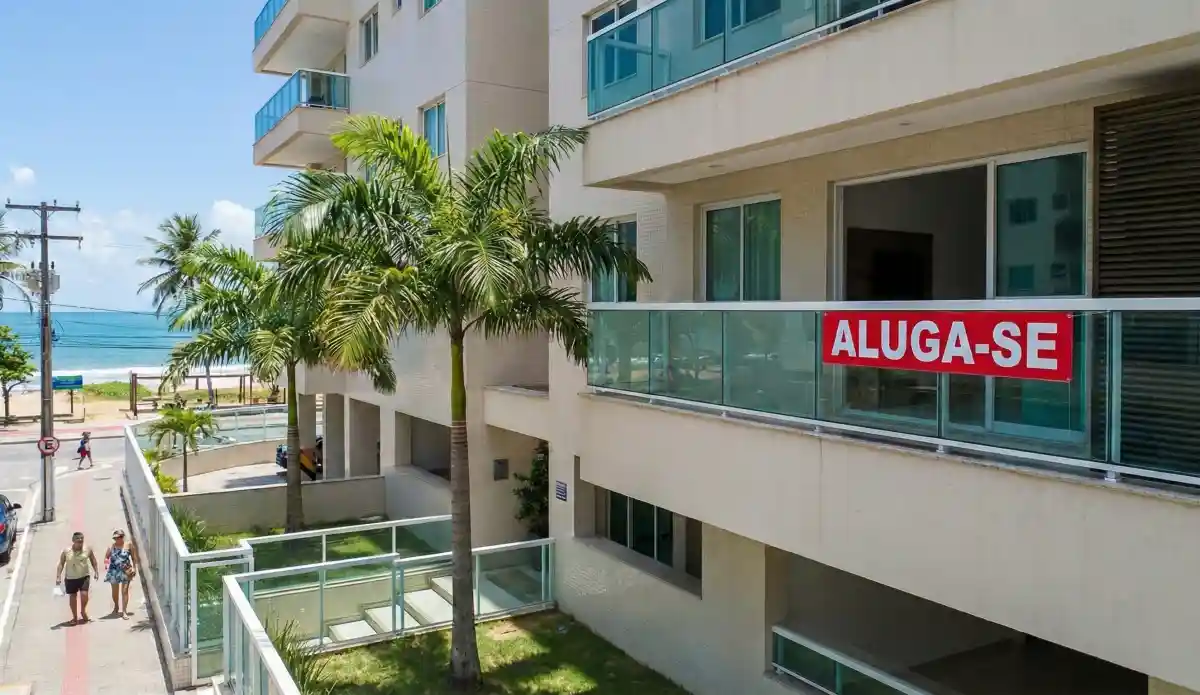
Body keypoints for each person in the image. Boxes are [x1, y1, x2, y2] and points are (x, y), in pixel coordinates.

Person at [54, 531, 99, 624]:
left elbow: (93, 560)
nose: (80, 542)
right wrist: (58, 577)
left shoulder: (88, 549)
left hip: (84, 576)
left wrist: (96, 572)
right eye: (78, 541)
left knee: (84, 595)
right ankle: (74, 617)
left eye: (82, 540)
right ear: (73, 541)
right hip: (70, 578)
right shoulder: (66, 551)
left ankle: (83, 610)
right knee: (73, 597)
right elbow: (61, 564)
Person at [103, 529, 137, 618]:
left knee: (125, 591)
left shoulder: (128, 545)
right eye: (116, 538)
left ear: (123, 537)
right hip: (114, 571)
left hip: (126, 570)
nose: (118, 539)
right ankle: (116, 606)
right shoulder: (112, 547)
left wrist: (134, 568)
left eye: (120, 537)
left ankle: (124, 611)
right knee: (115, 592)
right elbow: (106, 557)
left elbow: (134, 557)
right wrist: (106, 565)